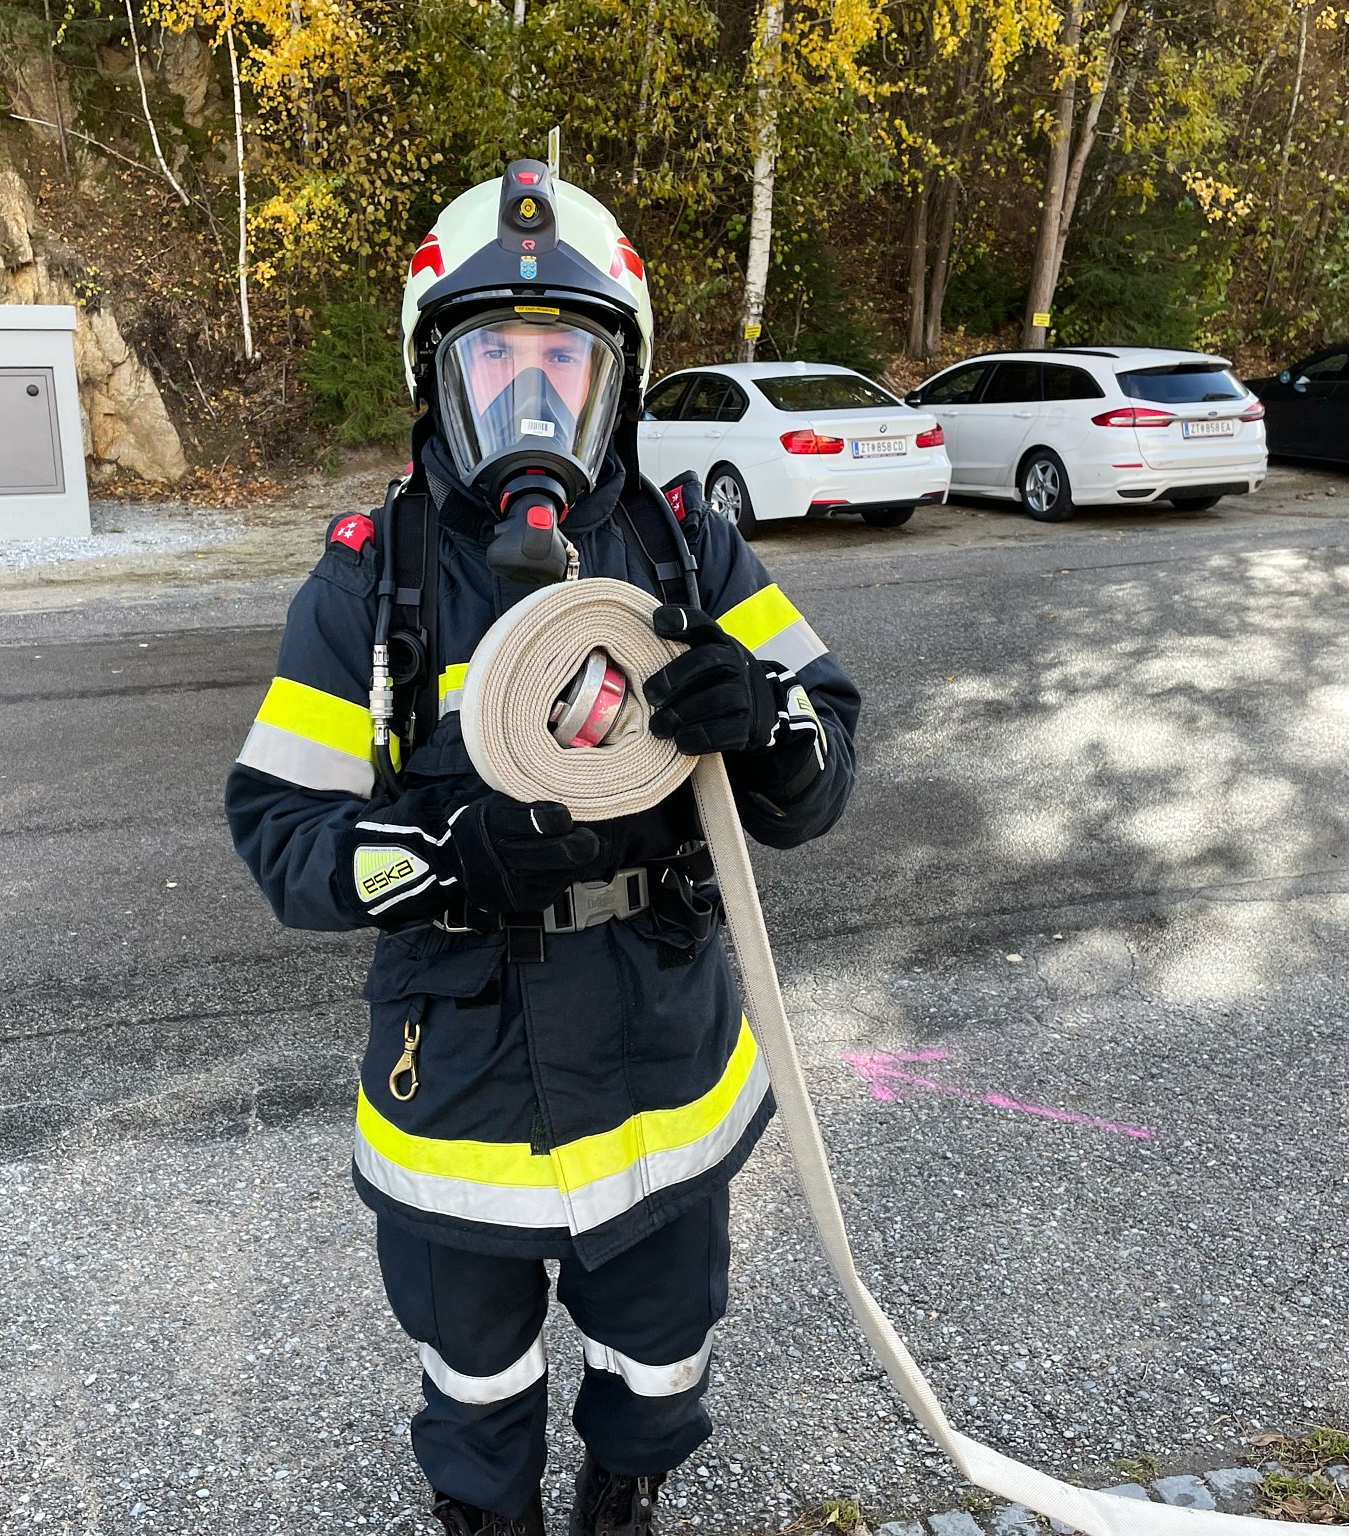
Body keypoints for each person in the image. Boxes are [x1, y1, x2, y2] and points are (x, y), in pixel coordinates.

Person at [226, 160, 860, 1536]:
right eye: (494, 361)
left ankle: (626, 1488)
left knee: (664, 1341)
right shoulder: (370, 581)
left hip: (661, 1056)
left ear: (617, 381)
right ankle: (487, 1513)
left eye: (562, 361)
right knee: (473, 1366)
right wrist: (440, 855)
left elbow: (823, 756)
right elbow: (280, 831)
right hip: (458, 1079)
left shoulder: (688, 554)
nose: (531, 400)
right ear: (435, 379)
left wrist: (765, 726)